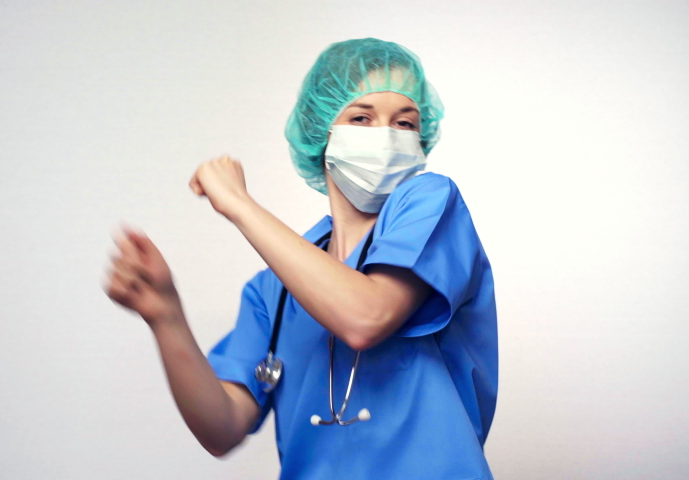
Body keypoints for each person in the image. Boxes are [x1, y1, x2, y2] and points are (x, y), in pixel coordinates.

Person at [104, 38, 497, 479]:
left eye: (405, 123)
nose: (386, 136)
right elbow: (222, 428)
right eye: (362, 118)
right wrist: (165, 315)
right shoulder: (273, 289)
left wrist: (239, 204)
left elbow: (366, 315)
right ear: (321, 132)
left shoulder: (430, 205)